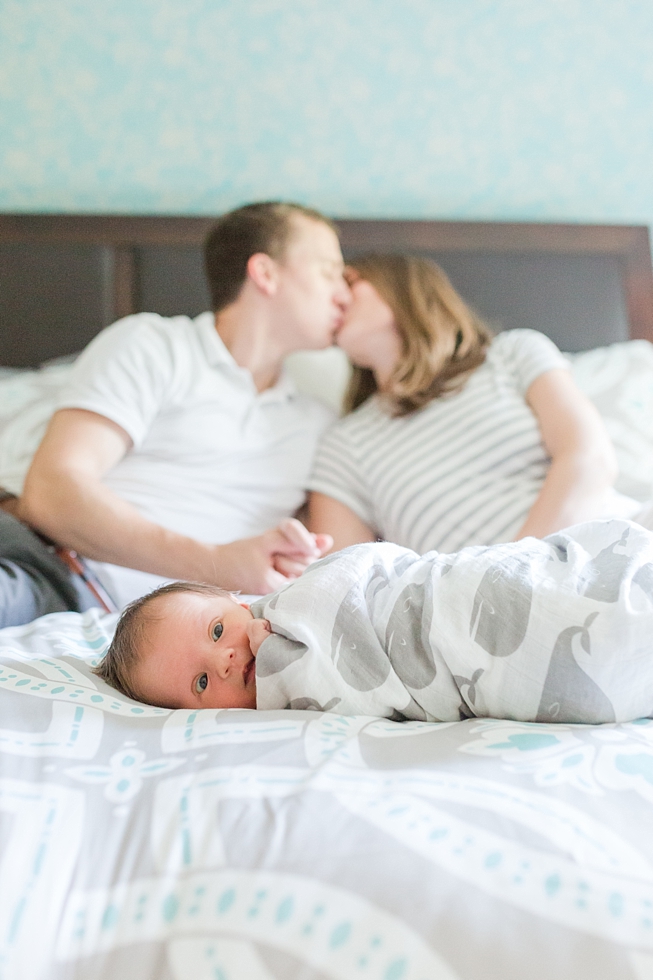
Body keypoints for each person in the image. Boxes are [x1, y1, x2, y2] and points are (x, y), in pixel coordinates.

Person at [0, 201, 351, 628]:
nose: (344, 293)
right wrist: (217, 564)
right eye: (329, 271)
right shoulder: (155, 346)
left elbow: (337, 562)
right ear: (265, 273)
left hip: (143, 631)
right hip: (52, 567)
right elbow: (52, 492)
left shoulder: (320, 424)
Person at [95, 517, 653, 725]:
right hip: (473, 658)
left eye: (216, 630)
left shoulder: (296, 600)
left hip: (456, 588)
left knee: (574, 581)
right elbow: (354, 688)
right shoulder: (285, 702)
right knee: (603, 641)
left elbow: (369, 568)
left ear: (238, 603)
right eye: (200, 684)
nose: (224, 659)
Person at [307, 254, 653, 555]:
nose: (335, 296)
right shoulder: (342, 446)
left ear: (404, 288)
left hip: (619, 539)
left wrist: (521, 568)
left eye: (350, 281)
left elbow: (589, 459)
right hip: (493, 608)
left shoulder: (511, 353)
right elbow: (349, 582)